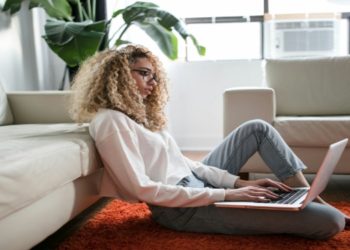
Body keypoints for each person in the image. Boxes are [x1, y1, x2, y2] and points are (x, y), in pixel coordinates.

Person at [69, 44, 347, 240]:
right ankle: (313, 206)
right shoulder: (110, 122)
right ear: (117, 75)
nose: (152, 82)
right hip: (180, 210)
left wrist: (237, 183)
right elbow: (142, 188)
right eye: (143, 73)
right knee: (330, 223)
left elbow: (184, 163)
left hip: (198, 186)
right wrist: (226, 195)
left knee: (257, 128)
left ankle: (307, 195)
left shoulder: (139, 116)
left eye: (154, 75)